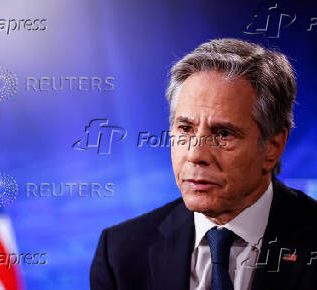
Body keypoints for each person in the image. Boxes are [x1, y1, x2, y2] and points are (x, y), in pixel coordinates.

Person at [90, 38, 317, 290]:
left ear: (273, 147)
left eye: (223, 134)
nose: (196, 154)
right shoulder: (120, 254)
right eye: (185, 129)